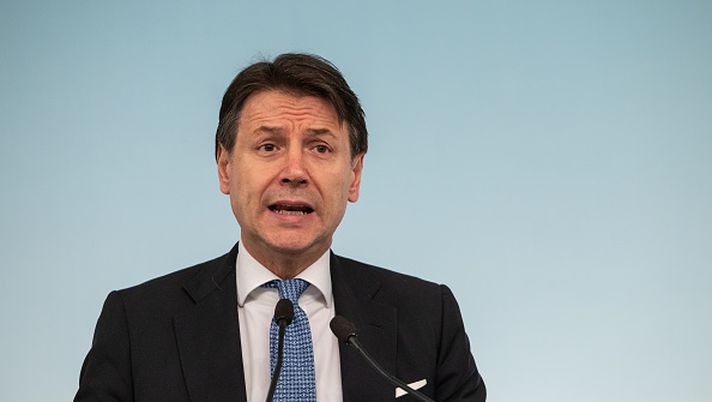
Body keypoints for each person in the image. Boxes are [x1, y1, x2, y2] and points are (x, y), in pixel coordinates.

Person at [75, 53, 486, 402]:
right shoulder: (137, 324)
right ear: (225, 167)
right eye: (268, 146)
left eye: (320, 148)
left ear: (355, 174)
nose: (294, 171)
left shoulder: (428, 317)